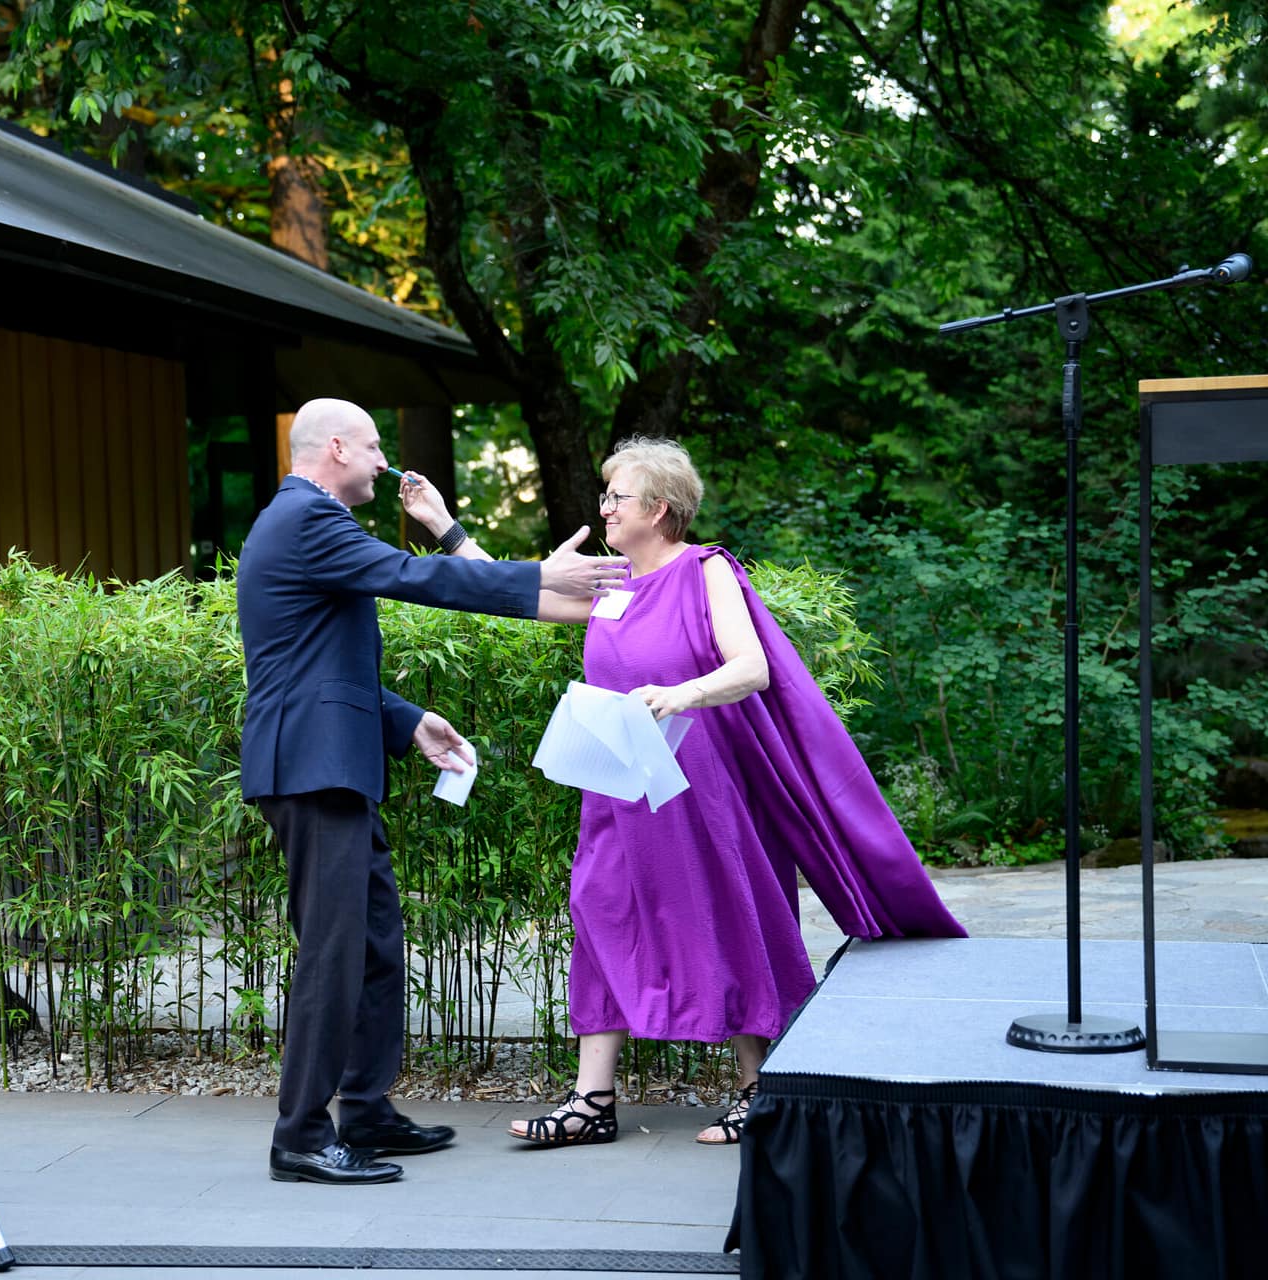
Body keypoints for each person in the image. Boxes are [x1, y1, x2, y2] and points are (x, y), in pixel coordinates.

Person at [401, 436, 964, 1147]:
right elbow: (513, 593)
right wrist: (440, 522)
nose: (603, 507)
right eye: (604, 496)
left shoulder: (704, 572)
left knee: (722, 913)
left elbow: (752, 667)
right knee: (597, 905)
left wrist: (679, 694)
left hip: (701, 789)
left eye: (617, 497)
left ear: (659, 509)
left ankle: (759, 1090)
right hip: (616, 786)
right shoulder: (612, 589)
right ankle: (592, 1100)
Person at [237, 398, 627, 1186]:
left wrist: (408, 720)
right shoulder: (307, 518)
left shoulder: (308, 524)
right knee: (333, 952)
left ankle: (367, 1111)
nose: (384, 462)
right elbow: (416, 577)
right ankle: (301, 1137)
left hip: (333, 762)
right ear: (337, 446)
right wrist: (536, 576)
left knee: (376, 943)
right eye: (376, 446)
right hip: (312, 770)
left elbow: (319, 664)